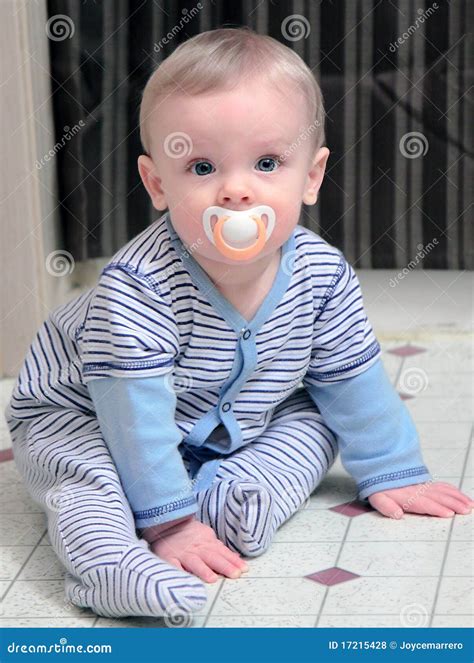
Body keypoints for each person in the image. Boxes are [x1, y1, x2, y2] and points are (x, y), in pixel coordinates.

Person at [5, 27, 472, 621]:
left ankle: (235, 495)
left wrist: (389, 469)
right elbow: (136, 423)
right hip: (90, 415)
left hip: (233, 416)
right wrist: (170, 526)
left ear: (310, 176)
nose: (236, 190)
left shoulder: (322, 275)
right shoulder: (138, 289)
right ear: (157, 184)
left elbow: (352, 381)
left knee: (315, 419)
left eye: (267, 162)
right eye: (201, 166)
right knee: (88, 479)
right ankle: (108, 565)